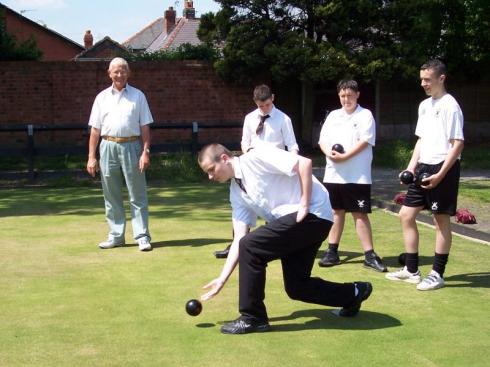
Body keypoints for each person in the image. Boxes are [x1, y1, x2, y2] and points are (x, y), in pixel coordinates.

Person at [198, 143, 373, 334]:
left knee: (251, 245)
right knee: (297, 287)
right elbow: (239, 236)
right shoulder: (236, 191)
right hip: (296, 223)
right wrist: (222, 279)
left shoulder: (257, 157)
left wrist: (304, 204)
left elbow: (304, 163)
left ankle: (253, 317)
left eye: (211, 169)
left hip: (313, 213)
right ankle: (354, 293)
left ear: (224, 158)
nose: (210, 176)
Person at [386, 59, 464, 291]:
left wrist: (440, 174)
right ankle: (411, 270)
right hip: (423, 168)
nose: (423, 84)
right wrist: (411, 167)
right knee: (405, 215)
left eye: (428, 80)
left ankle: (437, 274)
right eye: (421, 79)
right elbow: (421, 140)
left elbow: (458, 143)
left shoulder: (451, 105)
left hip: (444, 168)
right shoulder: (424, 105)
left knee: (440, 221)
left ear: (442, 78)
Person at [213, 84, 299, 259]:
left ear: (272, 98)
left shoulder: (283, 119)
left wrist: (292, 165)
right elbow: (245, 142)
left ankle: (276, 246)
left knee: (272, 206)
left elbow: (292, 145)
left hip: (274, 171)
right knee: (244, 202)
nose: (264, 109)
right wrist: (248, 153)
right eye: (261, 106)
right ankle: (237, 244)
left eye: (267, 104)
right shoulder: (250, 118)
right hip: (252, 168)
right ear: (255, 102)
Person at [317, 80, 387, 272]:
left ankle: (369, 255)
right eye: (342, 96)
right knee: (335, 212)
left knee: (359, 214)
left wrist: (346, 156)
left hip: (357, 175)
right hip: (333, 174)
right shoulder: (333, 116)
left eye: (349, 95)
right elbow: (323, 140)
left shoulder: (365, 115)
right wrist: (328, 153)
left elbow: (366, 140)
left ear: (357, 95)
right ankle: (332, 252)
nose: (345, 99)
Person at [86, 57, 153, 252]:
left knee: (137, 194)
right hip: (107, 147)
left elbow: (145, 127)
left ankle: (142, 236)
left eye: (123, 70)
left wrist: (145, 151)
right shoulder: (101, 98)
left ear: (129, 73)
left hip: (132, 146)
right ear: (109, 73)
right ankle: (116, 236)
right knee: (111, 195)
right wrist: (92, 156)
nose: (120, 74)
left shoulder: (138, 96)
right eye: (116, 71)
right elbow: (95, 130)